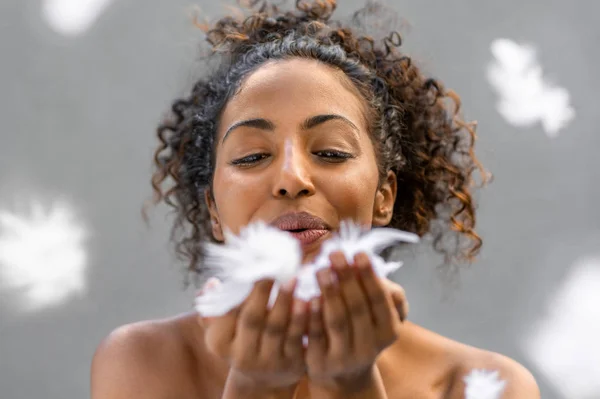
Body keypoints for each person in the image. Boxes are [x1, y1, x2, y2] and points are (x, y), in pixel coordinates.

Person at [90, 1, 540, 397]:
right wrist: (255, 387)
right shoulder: (142, 364)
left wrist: (351, 386)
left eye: (330, 152)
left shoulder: (479, 384)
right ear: (212, 210)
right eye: (251, 157)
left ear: (384, 196)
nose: (291, 178)